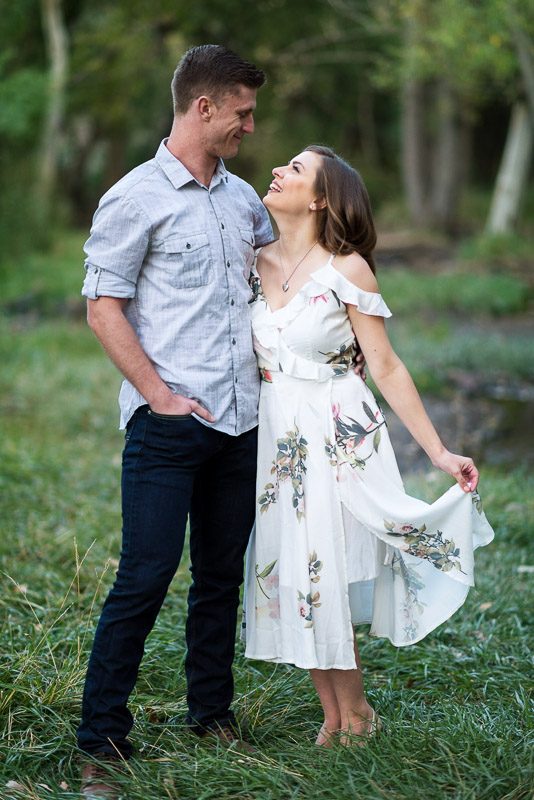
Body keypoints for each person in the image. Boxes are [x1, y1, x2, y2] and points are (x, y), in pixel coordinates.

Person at [242, 145, 494, 747]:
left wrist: (437, 452)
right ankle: (333, 715)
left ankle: (356, 716)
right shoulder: (253, 261)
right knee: (293, 573)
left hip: (337, 435)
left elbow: (385, 366)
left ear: (321, 198)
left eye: (295, 170)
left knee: (322, 568)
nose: (277, 171)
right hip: (279, 442)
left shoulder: (347, 269)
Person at [77, 44, 274, 794]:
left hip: (240, 425)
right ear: (204, 107)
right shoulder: (134, 197)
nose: (250, 128)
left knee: (220, 576)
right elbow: (103, 308)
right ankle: (101, 737)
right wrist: (159, 395)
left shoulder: (243, 199)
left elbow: (281, 281)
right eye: (243, 113)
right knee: (146, 576)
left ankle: (210, 712)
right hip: (169, 427)